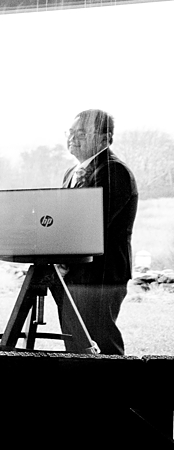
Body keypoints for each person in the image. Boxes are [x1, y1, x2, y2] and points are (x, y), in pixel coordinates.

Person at [59, 109, 138, 355]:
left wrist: (61, 259)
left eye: (81, 133)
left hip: (101, 276)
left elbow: (92, 224)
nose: (72, 138)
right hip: (74, 274)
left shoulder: (114, 171)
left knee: (102, 345)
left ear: (105, 139)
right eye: (70, 132)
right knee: (76, 346)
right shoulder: (72, 173)